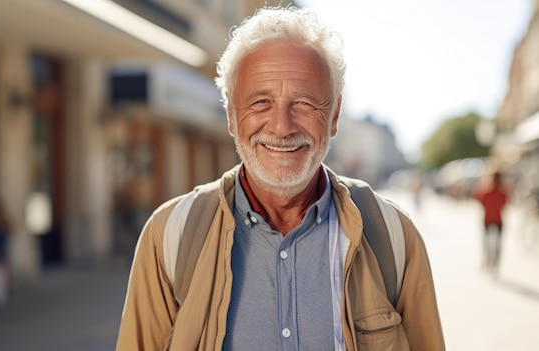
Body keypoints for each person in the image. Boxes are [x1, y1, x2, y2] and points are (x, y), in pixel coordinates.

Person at [117, 6, 444, 350]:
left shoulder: (392, 235)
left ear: (334, 117)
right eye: (260, 102)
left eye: (304, 103)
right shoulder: (170, 235)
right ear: (231, 116)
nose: (282, 127)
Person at [472, 171, 509, 274]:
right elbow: (506, 202)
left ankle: (486, 262)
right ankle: (496, 264)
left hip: (487, 220)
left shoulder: (486, 192)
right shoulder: (502, 192)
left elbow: (477, 198)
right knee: (498, 243)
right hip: (498, 220)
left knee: (486, 242)